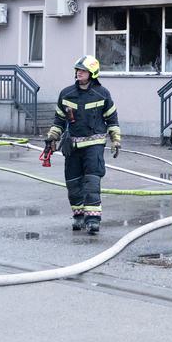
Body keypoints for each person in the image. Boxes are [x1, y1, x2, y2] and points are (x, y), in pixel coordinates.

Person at [44, 56, 121, 235]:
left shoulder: (102, 94)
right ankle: (78, 215)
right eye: (78, 69)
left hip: (94, 144)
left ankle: (93, 220)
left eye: (83, 70)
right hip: (72, 146)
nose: (79, 72)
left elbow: (112, 119)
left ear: (92, 73)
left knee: (92, 181)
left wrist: (116, 139)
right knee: (72, 183)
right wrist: (52, 137)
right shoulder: (66, 94)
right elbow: (59, 121)